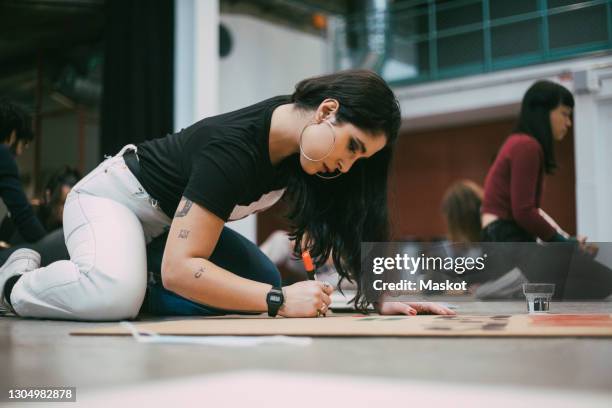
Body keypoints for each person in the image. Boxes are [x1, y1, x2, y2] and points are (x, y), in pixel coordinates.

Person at [0, 70, 454, 320]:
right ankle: (16, 281)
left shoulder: (310, 155)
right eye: (353, 148)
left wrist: (375, 299)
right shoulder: (233, 148)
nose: (348, 165)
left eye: (362, 160)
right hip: (112, 199)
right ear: (327, 110)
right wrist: (277, 304)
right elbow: (182, 269)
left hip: (165, 226)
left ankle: (130, 277)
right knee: (115, 297)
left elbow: (344, 227)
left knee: (263, 279)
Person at [0, 98, 46, 244]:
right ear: (13, 134)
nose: (20, 153)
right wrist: (49, 248)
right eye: (24, 143)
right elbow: (23, 216)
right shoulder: (3, 155)